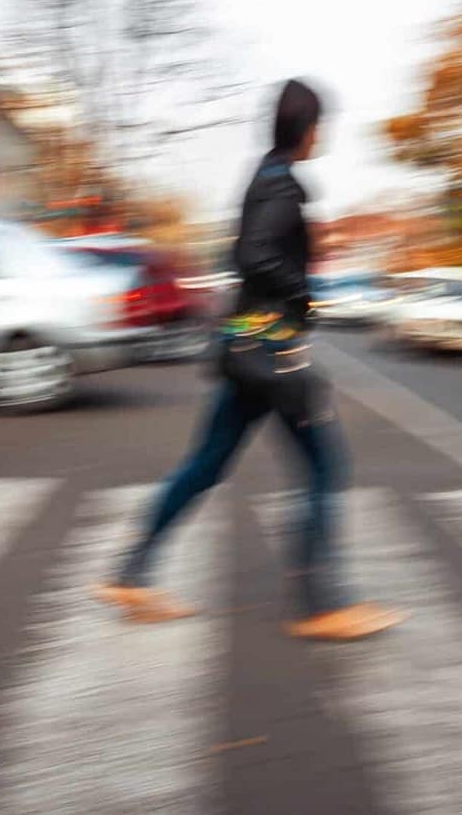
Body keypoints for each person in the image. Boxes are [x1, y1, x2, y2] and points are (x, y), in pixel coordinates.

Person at [96, 79, 404, 641]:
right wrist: (302, 295)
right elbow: (254, 254)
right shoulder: (283, 186)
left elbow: (245, 253)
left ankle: (131, 574)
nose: (321, 136)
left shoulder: (261, 176)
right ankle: (321, 604)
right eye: (320, 126)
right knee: (325, 466)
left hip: (246, 347)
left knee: (206, 465)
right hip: (269, 349)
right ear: (309, 129)